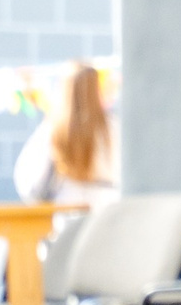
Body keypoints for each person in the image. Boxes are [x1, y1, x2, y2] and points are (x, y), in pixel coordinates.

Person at [15, 61, 118, 212]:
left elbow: (30, 182)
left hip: (65, 210)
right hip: (107, 210)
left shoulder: (53, 128)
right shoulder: (114, 127)